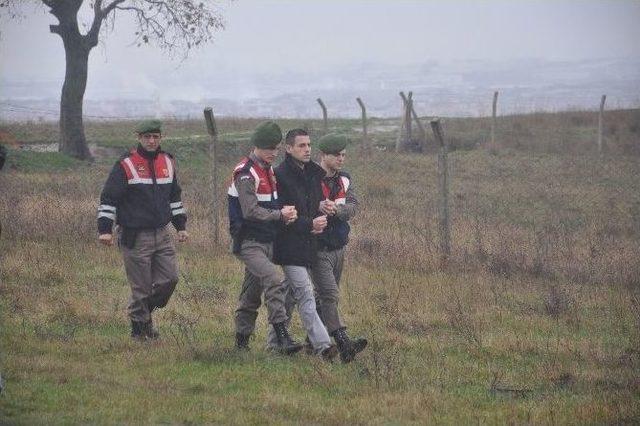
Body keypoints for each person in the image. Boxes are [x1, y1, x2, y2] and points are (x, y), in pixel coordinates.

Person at [97, 119, 188, 340]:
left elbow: (174, 197)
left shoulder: (167, 161)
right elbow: (109, 198)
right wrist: (105, 229)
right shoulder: (126, 164)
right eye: (147, 137)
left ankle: (141, 313)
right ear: (139, 138)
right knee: (142, 288)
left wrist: (180, 227)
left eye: (155, 137)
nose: (151, 140)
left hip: (162, 233)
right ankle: (140, 331)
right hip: (134, 236)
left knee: (170, 279)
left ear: (160, 138)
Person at [228, 121, 302, 354]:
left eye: (277, 148)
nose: (274, 152)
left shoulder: (267, 170)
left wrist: (286, 215)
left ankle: (241, 343)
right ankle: (282, 336)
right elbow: (250, 210)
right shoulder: (245, 173)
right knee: (273, 278)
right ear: (257, 146)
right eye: (269, 148)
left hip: (268, 241)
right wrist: (279, 215)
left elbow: (270, 205)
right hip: (249, 241)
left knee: (251, 295)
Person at [269, 128, 337, 360]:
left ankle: (274, 343)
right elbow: (284, 215)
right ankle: (323, 346)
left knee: (289, 296)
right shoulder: (280, 175)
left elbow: (310, 204)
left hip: (309, 244)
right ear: (288, 149)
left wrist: (322, 207)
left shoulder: (313, 174)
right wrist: (310, 223)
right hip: (288, 245)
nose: (307, 149)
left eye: (309, 145)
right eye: (301, 145)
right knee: (306, 293)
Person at [312, 133, 367, 362]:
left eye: (343, 155)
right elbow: (298, 202)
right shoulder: (309, 178)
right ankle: (344, 343)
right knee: (330, 295)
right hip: (317, 246)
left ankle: (313, 342)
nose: (341, 159)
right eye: (336, 155)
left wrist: (338, 210)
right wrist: (319, 207)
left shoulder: (345, 179)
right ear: (323, 155)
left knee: (321, 298)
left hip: (339, 246)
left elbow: (353, 206)